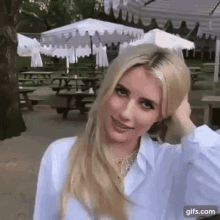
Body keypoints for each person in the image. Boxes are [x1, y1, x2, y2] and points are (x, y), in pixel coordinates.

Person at [33, 44, 220, 220]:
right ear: (107, 89)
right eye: (121, 92)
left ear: (162, 115)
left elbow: (213, 205)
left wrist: (185, 123)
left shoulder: (175, 165)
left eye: (147, 105)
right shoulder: (60, 155)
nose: (125, 113)